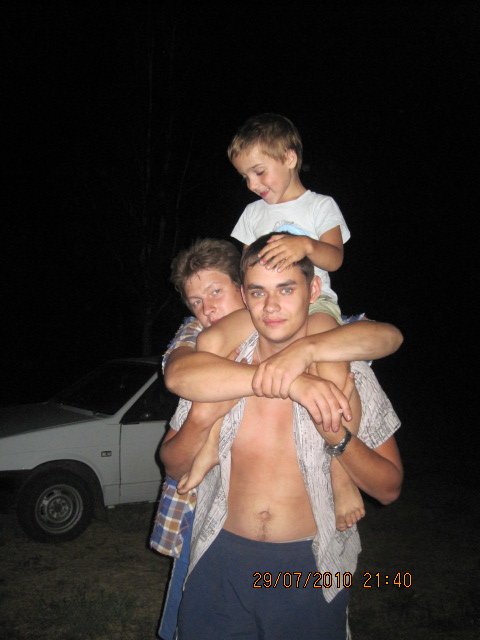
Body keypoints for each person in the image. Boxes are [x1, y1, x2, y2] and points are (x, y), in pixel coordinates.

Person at [152, 238, 403, 639]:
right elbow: (174, 466)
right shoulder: (216, 369)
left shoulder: (348, 372)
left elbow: (388, 489)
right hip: (218, 558)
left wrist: (338, 439)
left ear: (313, 291)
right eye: (258, 292)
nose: (271, 306)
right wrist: (201, 418)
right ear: (245, 298)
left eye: (286, 289)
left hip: (310, 567)